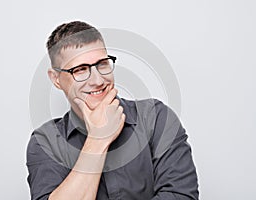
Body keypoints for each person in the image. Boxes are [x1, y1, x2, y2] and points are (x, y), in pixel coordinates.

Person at [26, 21, 199, 200]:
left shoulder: (156, 118)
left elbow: (182, 196)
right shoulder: (45, 142)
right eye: (80, 69)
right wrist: (97, 139)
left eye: (102, 64)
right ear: (56, 79)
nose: (97, 80)